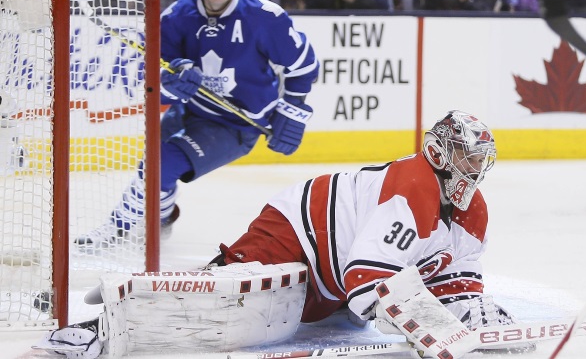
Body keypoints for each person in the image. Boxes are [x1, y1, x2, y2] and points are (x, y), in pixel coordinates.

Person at [36, 111, 532, 358]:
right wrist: (433, 328)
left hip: (331, 273)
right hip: (299, 231)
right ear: (442, 154)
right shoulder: (415, 188)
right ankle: (106, 320)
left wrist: (478, 323)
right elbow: (368, 277)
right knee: (230, 298)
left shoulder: (473, 210)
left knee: (283, 320)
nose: (477, 169)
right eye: (469, 157)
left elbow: (457, 283)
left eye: (481, 160)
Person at [75, 0, 319, 247]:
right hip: (190, 110)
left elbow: (304, 65)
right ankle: (162, 219)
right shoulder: (179, 15)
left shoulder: (264, 17)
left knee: (160, 166)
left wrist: (292, 109)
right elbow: (153, 77)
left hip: (236, 125)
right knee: (152, 168)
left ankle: (117, 228)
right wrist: (172, 82)